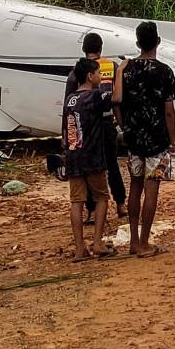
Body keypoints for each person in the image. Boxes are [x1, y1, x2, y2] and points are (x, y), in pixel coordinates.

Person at [113, 21, 175, 258]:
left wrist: (125, 127)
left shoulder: (126, 69)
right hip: (157, 140)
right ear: (158, 42)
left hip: (133, 139)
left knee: (135, 187)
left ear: (138, 43)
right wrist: (172, 140)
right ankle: (144, 242)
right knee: (152, 190)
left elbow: (117, 103)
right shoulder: (164, 72)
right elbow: (169, 110)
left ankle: (133, 240)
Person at [66, 33, 128, 220]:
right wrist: (121, 123)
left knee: (90, 168)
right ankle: (120, 204)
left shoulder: (76, 72)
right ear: (101, 48)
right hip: (106, 123)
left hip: (84, 128)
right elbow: (117, 100)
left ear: (84, 49)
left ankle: (92, 210)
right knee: (112, 164)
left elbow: (69, 103)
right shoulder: (112, 66)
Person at [63, 58, 117, 260]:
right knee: (102, 197)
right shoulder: (94, 96)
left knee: (76, 201)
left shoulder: (70, 99)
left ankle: (79, 248)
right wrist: (118, 75)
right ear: (90, 76)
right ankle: (97, 242)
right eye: (99, 74)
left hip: (73, 155)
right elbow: (117, 97)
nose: (101, 77)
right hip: (92, 156)